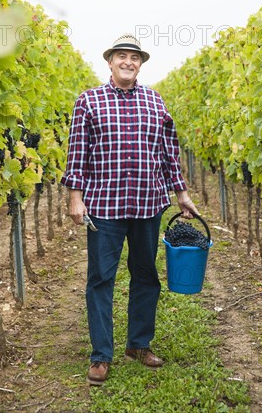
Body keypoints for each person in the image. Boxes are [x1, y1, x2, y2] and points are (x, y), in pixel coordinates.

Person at [61, 33, 199, 386]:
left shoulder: (155, 101)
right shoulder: (88, 101)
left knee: (146, 276)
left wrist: (181, 193)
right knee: (101, 279)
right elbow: (78, 154)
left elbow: (169, 154)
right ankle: (101, 355)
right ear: (109, 61)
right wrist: (75, 197)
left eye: (134, 57)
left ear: (141, 63)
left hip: (148, 203)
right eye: (121, 56)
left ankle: (138, 344)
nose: (128, 61)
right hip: (104, 206)